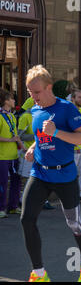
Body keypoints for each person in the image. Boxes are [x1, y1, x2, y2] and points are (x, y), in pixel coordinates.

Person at [21, 65, 81, 282]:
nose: (33, 97)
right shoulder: (35, 110)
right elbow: (40, 136)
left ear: (49, 87)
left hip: (65, 176)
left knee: (75, 224)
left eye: (37, 92)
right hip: (40, 173)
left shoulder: (68, 109)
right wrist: (34, 147)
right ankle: (39, 274)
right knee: (26, 220)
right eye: (30, 92)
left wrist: (57, 132)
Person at [0, 89, 23, 218]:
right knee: (2, 183)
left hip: (14, 155)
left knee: (16, 181)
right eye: (12, 99)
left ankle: (13, 206)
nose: (14, 101)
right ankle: (1, 208)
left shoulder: (12, 116)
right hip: (2, 156)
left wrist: (24, 147)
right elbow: (10, 137)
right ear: (6, 101)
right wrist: (10, 140)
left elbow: (15, 135)